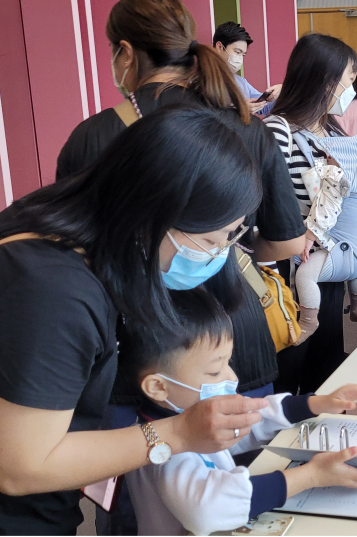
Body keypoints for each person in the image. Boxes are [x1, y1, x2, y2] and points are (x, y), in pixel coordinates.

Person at [0, 107, 275, 535]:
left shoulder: (65, 226)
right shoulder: (57, 292)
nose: (219, 254)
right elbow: (23, 467)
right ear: (152, 213)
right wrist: (176, 434)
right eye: (209, 240)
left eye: (231, 237)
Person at [122, 288, 357, 535]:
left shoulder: (191, 416)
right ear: (158, 387)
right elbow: (208, 509)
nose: (231, 377)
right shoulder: (161, 450)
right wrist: (310, 476)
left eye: (228, 362)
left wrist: (316, 404)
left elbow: (251, 421)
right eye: (214, 371)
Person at [264, 33, 357, 393]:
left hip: (330, 267)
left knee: (323, 366)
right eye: (348, 79)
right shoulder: (277, 131)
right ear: (323, 79)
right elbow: (264, 207)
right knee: (287, 371)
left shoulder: (332, 129)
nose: (353, 89)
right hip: (289, 272)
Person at [213, 21, 281, 116]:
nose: (240, 58)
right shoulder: (201, 80)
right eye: (237, 52)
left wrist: (280, 92)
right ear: (219, 47)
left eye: (243, 54)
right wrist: (238, 109)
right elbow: (201, 115)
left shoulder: (241, 82)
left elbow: (265, 107)